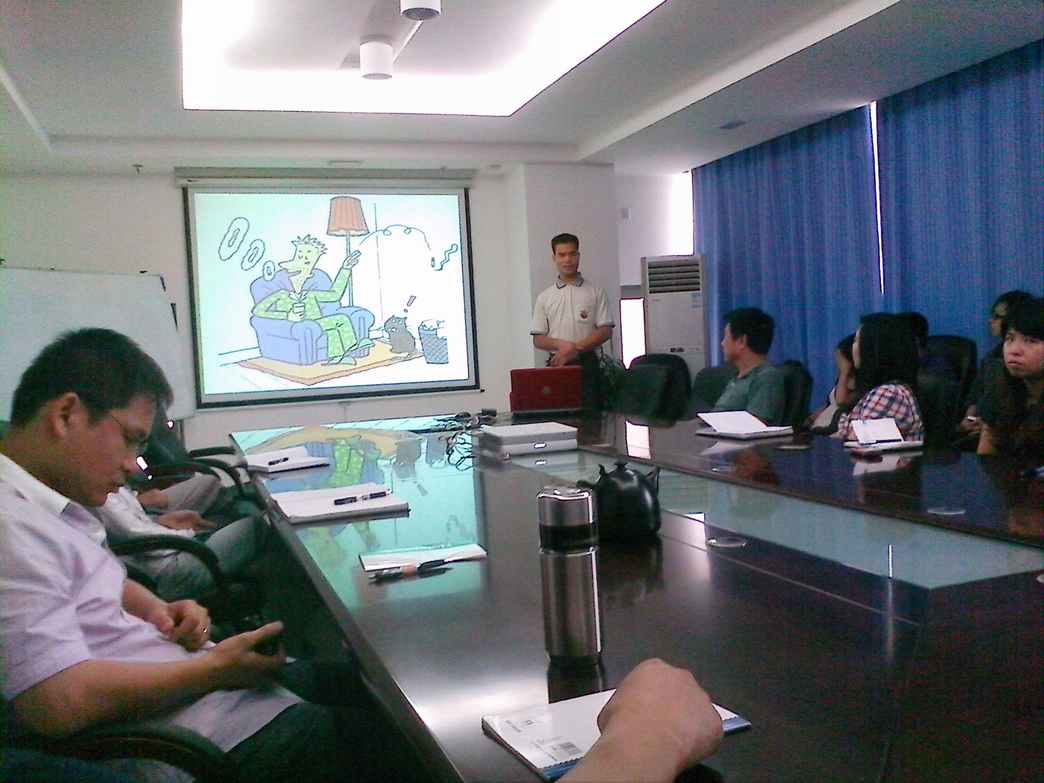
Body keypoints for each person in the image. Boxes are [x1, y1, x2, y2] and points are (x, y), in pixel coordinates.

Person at [0, 328, 394, 782]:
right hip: (197, 737)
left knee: (370, 688)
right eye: (130, 439)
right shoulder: (11, 526)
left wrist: (156, 608)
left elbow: (87, 580)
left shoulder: (55, 500)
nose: (133, 465)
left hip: (196, 687)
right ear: (66, 414)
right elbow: (57, 703)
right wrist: (216, 670)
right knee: (405, 742)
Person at [92, 486, 267, 601]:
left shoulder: (97, 481)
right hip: (168, 570)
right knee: (260, 524)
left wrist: (159, 521)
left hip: (168, 551)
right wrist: (189, 532)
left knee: (240, 513)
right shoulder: (98, 495)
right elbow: (142, 540)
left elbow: (133, 526)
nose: (133, 466)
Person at [252, 235, 370, 365]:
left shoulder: (309, 294)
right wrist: (286, 316)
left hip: (317, 323)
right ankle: (352, 346)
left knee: (333, 328)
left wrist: (345, 269)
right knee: (340, 319)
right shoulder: (281, 295)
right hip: (300, 325)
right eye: (301, 255)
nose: (304, 259)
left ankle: (337, 357)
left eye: (309, 257)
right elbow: (257, 311)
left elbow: (335, 295)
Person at [531, 233, 614, 408]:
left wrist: (575, 349)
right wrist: (562, 346)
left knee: (592, 418)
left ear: (578, 256)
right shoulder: (544, 297)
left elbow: (605, 331)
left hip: (589, 364)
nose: (567, 259)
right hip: (557, 364)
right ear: (554, 258)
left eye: (572, 254)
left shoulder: (595, 292)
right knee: (557, 416)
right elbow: (538, 339)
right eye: (562, 255)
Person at [834, 314, 925, 442]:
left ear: (876, 349)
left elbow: (857, 438)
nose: (853, 348)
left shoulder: (888, 393)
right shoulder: (880, 391)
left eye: (857, 341)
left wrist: (845, 424)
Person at [960, 290, 1035, 440]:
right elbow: (974, 398)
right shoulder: (991, 358)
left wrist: (992, 427)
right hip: (985, 432)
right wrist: (970, 420)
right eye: (1009, 339)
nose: (991, 321)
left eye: (997, 316)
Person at [977, 297, 1044, 460]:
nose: (1014, 350)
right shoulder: (999, 384)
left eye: (1031, 341)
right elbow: (986, 457)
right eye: (1010, 339)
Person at [712, 307, 786, 425]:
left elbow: (755, 426)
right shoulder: (737, 378)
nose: (722, 343)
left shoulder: (767, 377)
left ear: (741, 341)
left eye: (725, 337)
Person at [807, 333, 855, 434]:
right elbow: (829, 404)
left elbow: (840, 401)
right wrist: (810, 419)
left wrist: (844, 372)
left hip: (831, 432)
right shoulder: (842, 379)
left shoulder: (855, 383)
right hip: (817, 428)